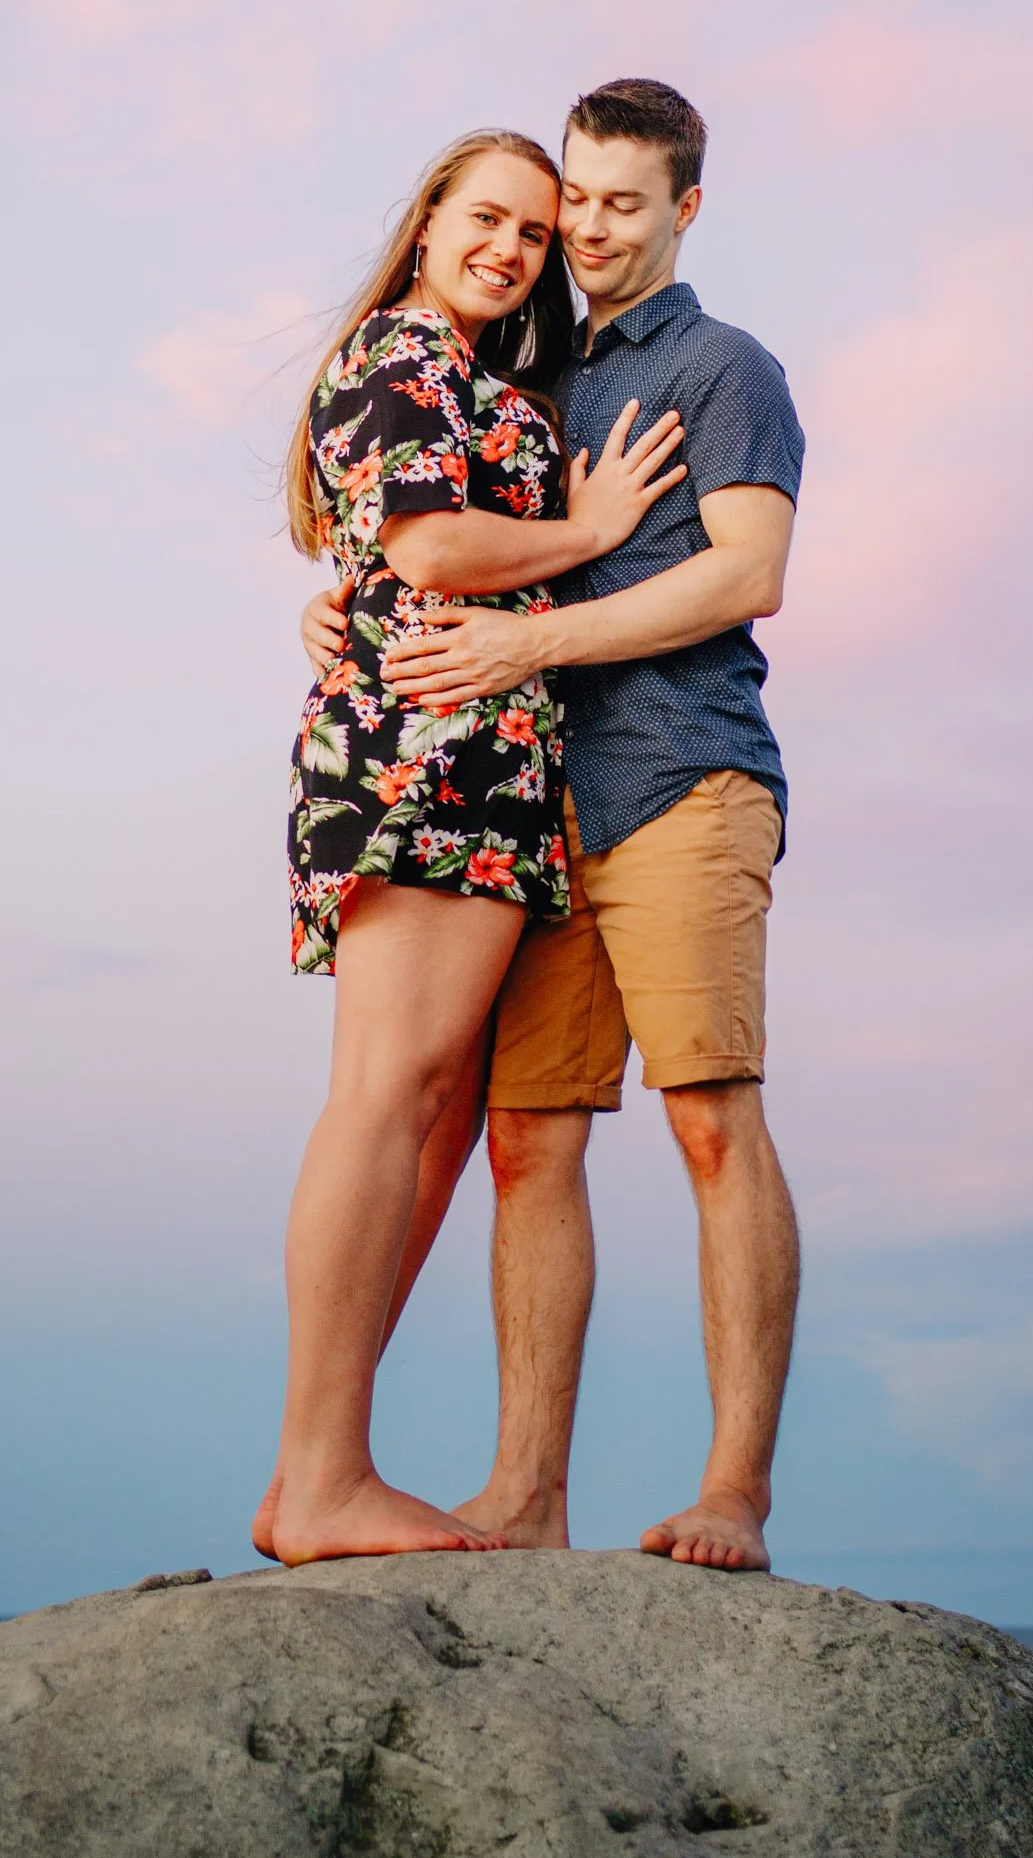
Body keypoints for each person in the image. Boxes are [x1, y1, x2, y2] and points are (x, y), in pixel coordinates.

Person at [304, 78, 805, 1572]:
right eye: (567, 201)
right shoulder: (522, 373)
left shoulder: (727, 366)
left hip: (680, 778)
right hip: (518, 812)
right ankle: (526, 1495)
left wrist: (531, 644)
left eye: (616, 204)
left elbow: (746, 577)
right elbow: (433, 530)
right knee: (529, 1143)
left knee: (712, 1120)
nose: (582, 230)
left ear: (685, 210)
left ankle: (734, 1494)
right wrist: (354, 596)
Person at [260, 126, 688, 1565]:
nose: (510, 249)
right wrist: (591, 528)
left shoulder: (479, 370)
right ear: (428, 218)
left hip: (481, 761)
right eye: (486, 219)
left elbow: (392, 552)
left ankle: (321, 1467)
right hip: (427, 752)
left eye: (532, 229)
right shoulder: (402, 350)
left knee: (434, 1109)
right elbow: (435, 551)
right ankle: (317, 1475)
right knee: (389, 1096)